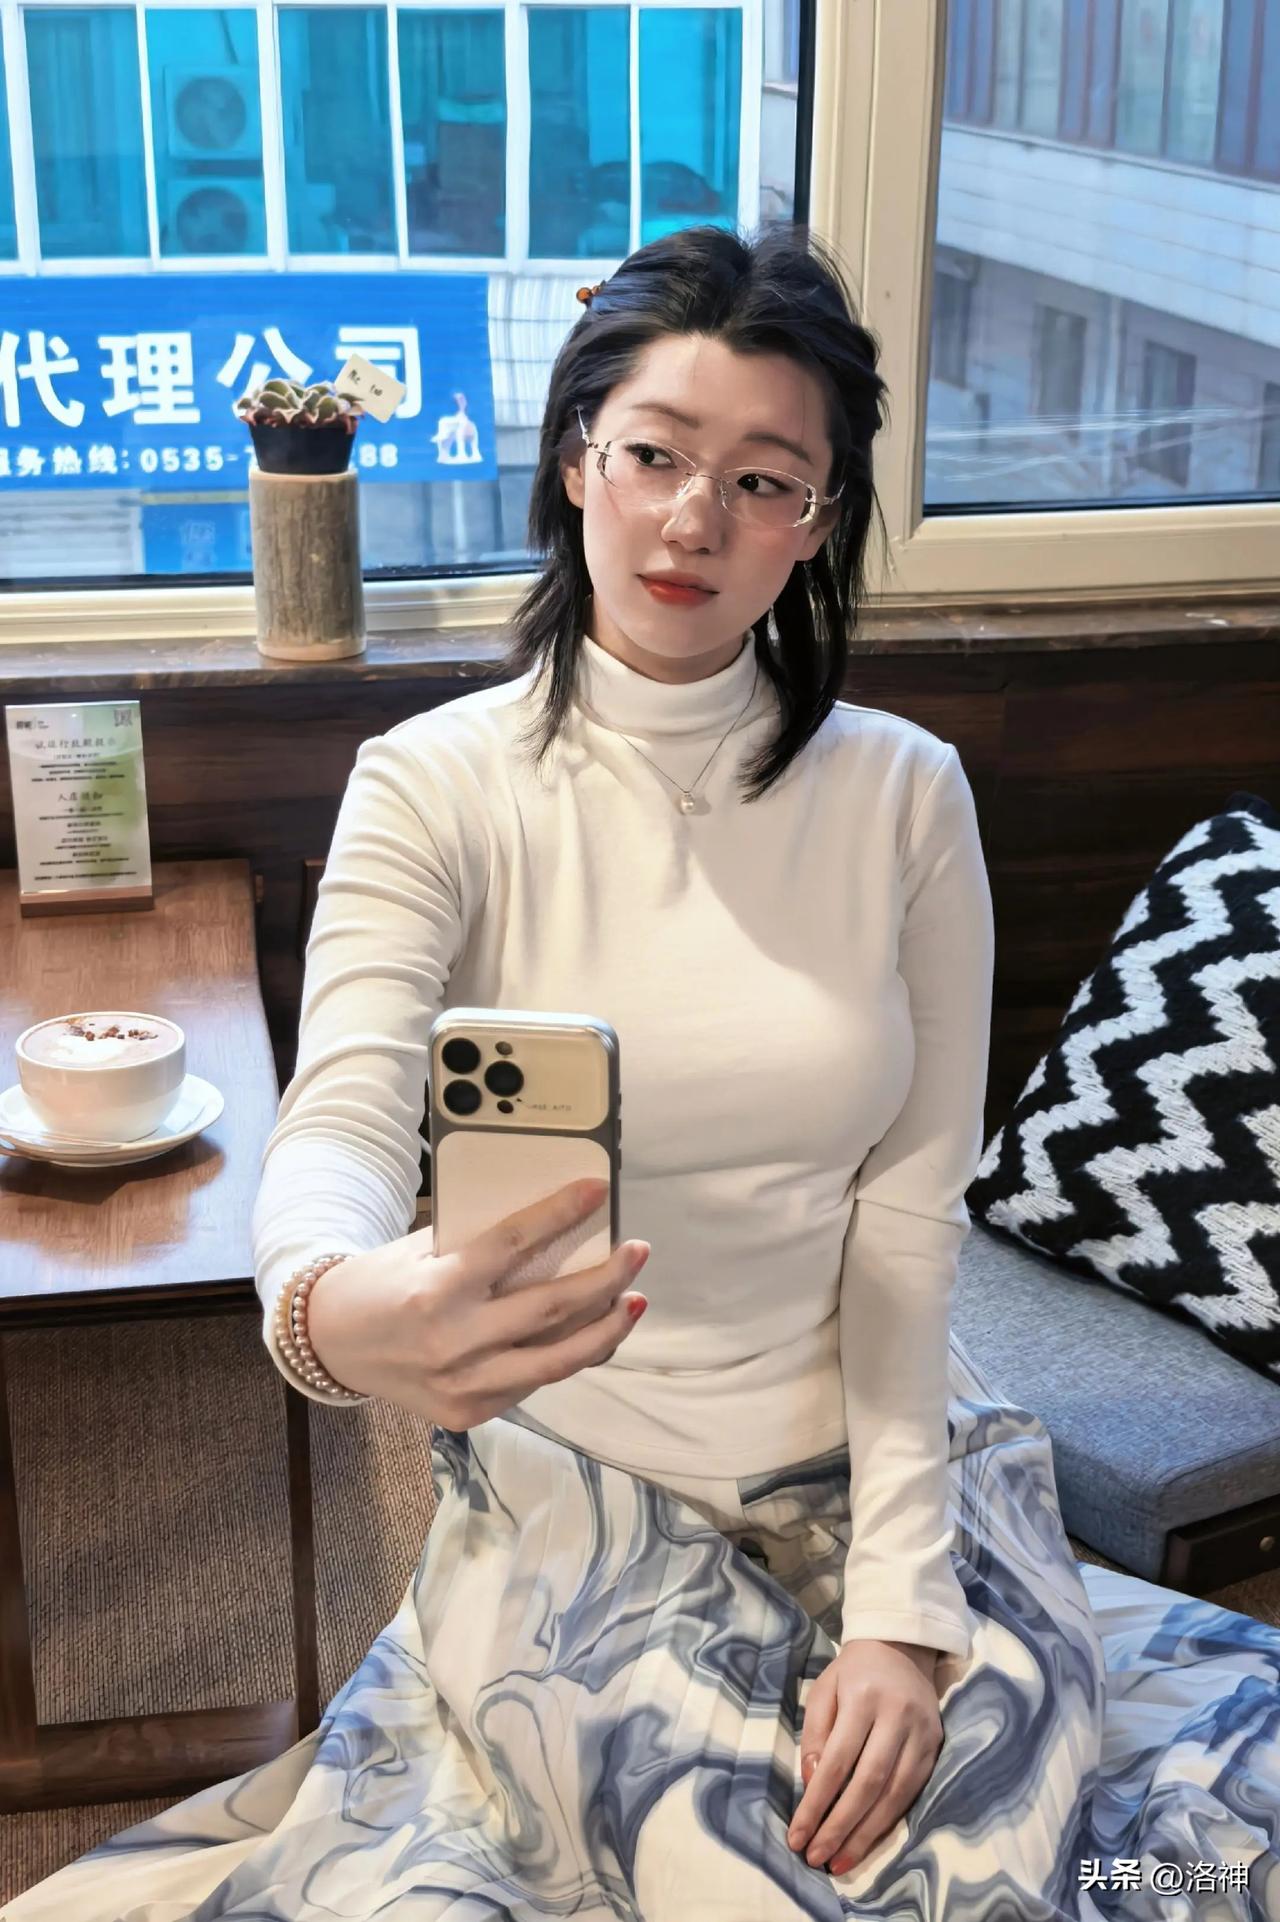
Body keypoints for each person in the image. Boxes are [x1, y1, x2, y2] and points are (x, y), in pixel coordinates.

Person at [10, 223, 1280, 1922]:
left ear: (817, 520)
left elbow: (911, 1222)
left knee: (1041, 1847)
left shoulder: (906, 795)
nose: (695, 519)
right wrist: (325, 1303)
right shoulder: (434, 783)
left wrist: (903, 1606)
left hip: (890, 1459)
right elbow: (344, 1118)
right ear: (574, 460)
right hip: (582, 1487)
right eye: (656, 455)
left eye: (763, 480)